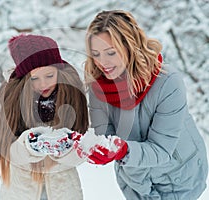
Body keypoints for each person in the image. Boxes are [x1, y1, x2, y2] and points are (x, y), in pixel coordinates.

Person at [82, 10, 208, 199]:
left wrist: (123, 150)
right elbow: (105, 136)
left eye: (110, 52)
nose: (102, 62)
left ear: (130, 46)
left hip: (180, 178)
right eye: (96, 54)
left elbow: (161, 149)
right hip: (136, 184)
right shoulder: (98, 87)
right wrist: (95, 146)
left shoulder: (167, 82)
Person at [0, 34, 89, 200]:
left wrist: (64, 148)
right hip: (21, 192)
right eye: (35, 78)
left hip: (63, 192)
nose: (44, 84)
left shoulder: (72, 98)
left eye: (49, 76)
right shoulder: (13, 102)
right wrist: (30, 146)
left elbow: (81, 154)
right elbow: (9, 153)